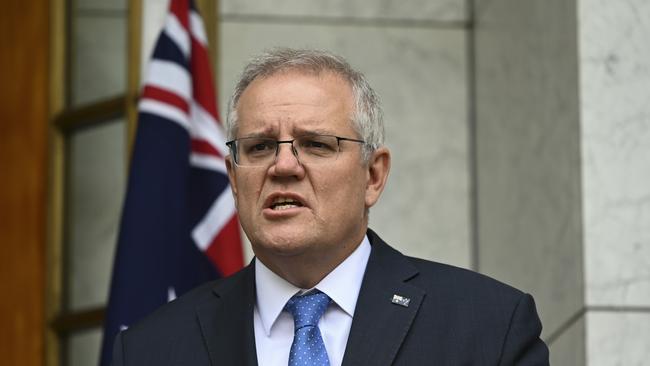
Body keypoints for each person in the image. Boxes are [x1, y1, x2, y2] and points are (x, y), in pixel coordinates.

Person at [111, 48, 549, 365]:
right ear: (233, 178)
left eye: (316, 145)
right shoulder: (152, 349)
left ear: (373, 176)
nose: (283, 165)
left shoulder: (488, 326)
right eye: (260, 146)